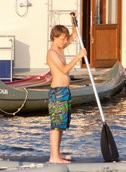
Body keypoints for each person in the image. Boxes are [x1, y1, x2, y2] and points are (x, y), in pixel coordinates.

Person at [46, 17, 87, 163]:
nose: (65, 41)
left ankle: (57, 153)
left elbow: (74, 35)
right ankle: (53, 157)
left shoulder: (60, 48)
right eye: (62, 38)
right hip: (57, 92)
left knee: (61, 124)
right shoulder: (52, 53)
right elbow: (64, 70)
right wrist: (78, 57)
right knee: (56, 125)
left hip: (64, 91)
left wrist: (74, 21)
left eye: (65, 38)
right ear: (54, 37)